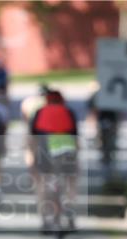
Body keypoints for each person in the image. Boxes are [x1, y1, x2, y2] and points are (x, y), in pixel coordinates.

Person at [28, 89, 79, 231]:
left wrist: (32, 158)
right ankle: (70, 212)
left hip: (45, 147)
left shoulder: (39, 112)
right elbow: (75, 138)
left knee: (44, 183)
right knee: (70, 181)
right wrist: (77, 160)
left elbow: (33, 139)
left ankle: (45, 219)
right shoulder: (68, 112)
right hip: (66, 147)